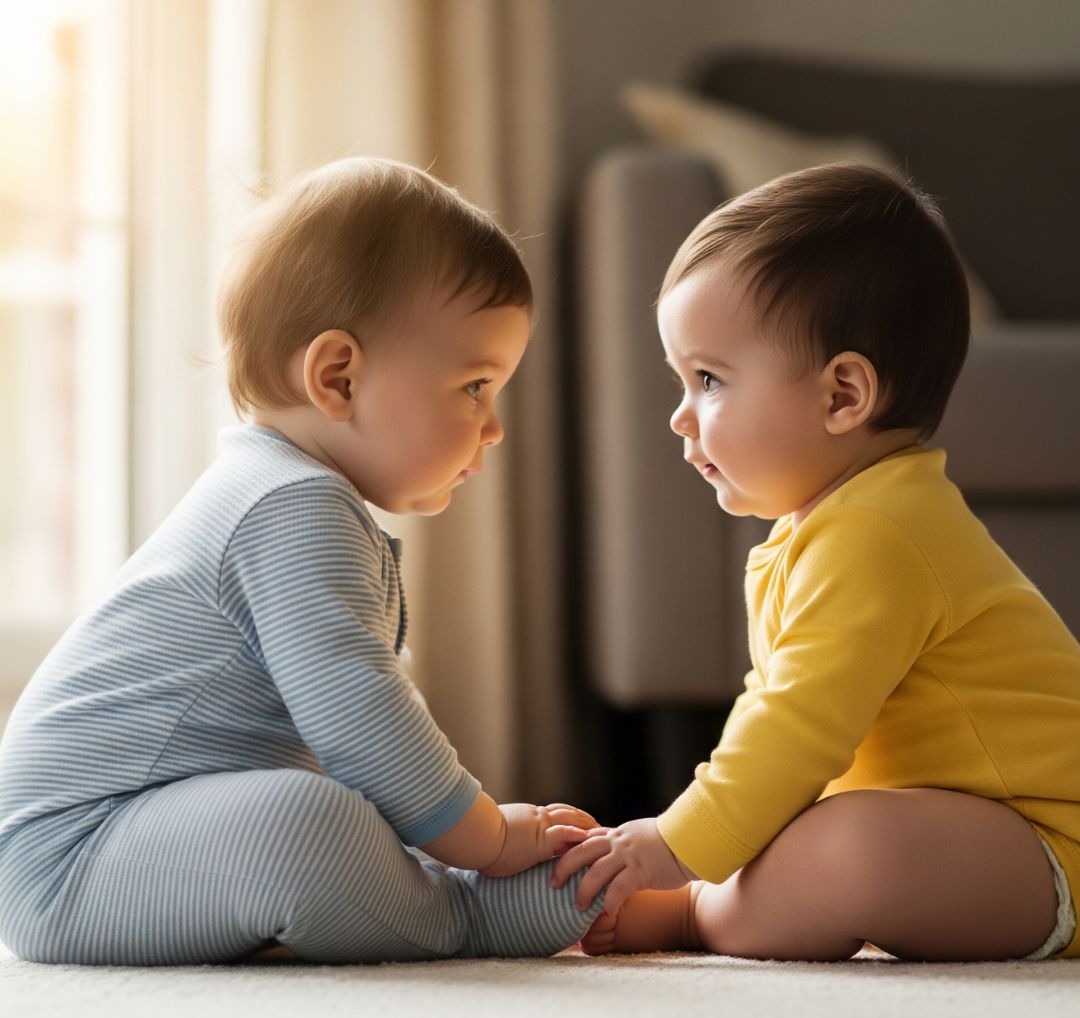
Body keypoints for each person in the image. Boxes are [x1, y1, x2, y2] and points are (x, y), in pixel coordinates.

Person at [0, 157, 601, 965]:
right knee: (302, 824)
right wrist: (484, 838)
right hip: (72, 861)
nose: (491, 428)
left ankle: (406, 892)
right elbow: (362, 718)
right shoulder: (289, 507)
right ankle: (458, 920)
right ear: (338, 377)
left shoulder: (289, 494)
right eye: (473, 387)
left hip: (135, 838)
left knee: (324, 807)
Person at [552, 163, 1080, 962]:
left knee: (854, 846)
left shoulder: (879, 531)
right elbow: (776, 726)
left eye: (709, 380)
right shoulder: (828, 526)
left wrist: (674, 845)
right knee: (809, 816)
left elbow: (795, 727)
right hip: (980, 836)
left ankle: (698, 914)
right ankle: (718, 897)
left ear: (843, 397)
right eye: (680, 381)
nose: (678, 416)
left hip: (1053, 849)